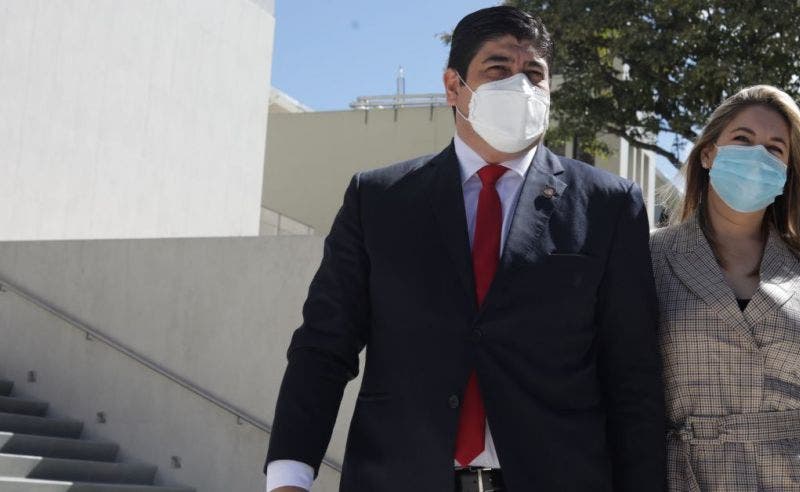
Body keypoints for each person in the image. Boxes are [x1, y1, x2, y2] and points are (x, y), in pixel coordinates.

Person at [264, 6, 664, 492]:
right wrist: (289, 475)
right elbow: (324, 346)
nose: (520, 86)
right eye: (498, 69)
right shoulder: (379, 200)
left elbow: (632, 375)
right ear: (454, 87)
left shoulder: (609, 206)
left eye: (534, 74)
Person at [650, 85, 800, 490]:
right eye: (743, 139)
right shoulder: (651, 256)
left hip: (798, 478)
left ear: (787, 171)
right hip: (687, 476)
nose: (756, 157)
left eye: (774, 148)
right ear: (709, 153)